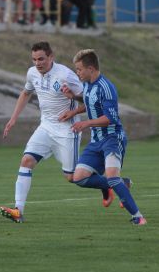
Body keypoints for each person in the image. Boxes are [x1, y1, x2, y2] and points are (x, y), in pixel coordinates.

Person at [60, 49, 146, 225]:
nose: (77, 73)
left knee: (112, 177)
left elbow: (111, 118)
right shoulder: (88, 85)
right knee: (79, 177)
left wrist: (85, 123)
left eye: (79, 69)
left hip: (112, 139)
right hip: (96, 141)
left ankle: (138, 217)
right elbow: (90, 102)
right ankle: (122, 184)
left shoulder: (106, 87)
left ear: (91, 68)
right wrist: (74, 105)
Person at [0, 41, 83, 223]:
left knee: (72, 177)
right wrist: (13, 119)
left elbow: (89, 100)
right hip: (45, 127)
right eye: (34, 59)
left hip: (67, 130)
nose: (38, 63)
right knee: (26, 160)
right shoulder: (32, 73)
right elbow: (25, 93)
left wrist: (74, 110)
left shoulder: (66, 75)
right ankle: (18, 211)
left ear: (51, 57)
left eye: (41, 59)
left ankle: (111, 184)